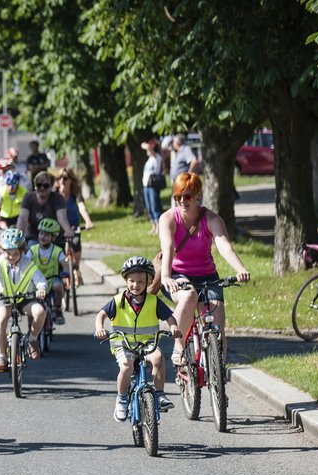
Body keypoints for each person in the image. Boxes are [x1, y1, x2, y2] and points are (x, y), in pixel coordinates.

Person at [159, 173, 250, 363]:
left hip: (208, 275)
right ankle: (178, 345)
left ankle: (218, 374)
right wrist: (166, 276)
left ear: (198, 195)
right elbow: (168, 248)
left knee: (218, 327)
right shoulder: (168, 219)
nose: (183, 201)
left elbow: (224, 246)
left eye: (188, 196)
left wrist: (240, 268)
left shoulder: (211, 219)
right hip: (178, 274)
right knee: (189, 295)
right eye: (178, 197)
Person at [95, 256, 179, 421]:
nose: (136, 285)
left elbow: (170, 317)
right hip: (123, 345)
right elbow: (101, 315)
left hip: (148, 344)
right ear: (126, 280)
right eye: (132, 281)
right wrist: (100, 328)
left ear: (148, 281)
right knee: (126, 367)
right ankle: (122, 398)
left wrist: (174, 326)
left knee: (158, 357)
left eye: (141, 281)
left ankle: (160, 394)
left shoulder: (153, 301)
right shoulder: (118, 301)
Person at [0, 228, 47, 372]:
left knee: (40, 311)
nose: (11, 256)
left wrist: (41, 288)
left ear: (22, 251)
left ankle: (33, 339)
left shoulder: (28, 263)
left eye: (15, 253)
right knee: (2, 318)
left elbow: (40, 279)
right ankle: (0, 357)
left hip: (24, 299)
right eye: (7, 253)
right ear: (2, 250)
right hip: (5, 299)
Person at [55, 167, 95, 286]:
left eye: (65, 178)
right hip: (59, 229)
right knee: (58, 251)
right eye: (60, 178)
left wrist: (88, 221)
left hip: (73, 227)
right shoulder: (55, 194)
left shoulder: (75, 193)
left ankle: (76, 268)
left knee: (76, 243)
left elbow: (81, 206)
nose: (62, 180)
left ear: (71, 180)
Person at [27, 218, 69, 325]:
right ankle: (31, 325)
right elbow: (25, 263)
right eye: (41, 233)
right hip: (36, 281)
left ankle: (57, 309)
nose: (43, 237)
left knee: (58, 286)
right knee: (28, 294)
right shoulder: (33, 249)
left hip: (51, 279)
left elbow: (65, 264)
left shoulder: (57, 251)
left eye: (46, 235)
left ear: (53, 237)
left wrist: (65, 272)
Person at [18, 170, 69, 245]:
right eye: (39, 185)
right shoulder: (28, 198)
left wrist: (68, 231)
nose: (42, 188)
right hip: (33, 238)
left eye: (46, 186)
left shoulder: (58, 198)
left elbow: (62, 218)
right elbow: (23, 217)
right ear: (35, 186)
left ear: (51, 186)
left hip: (54, 239)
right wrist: (19, 235)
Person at [0, 171, 28, 245]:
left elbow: (26, 211)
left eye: (14, 185)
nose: (11, 187)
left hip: (17, 217)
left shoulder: (24, 193)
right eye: (8, 184)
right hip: (3, 217)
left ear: (18, 184)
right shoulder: (0, 192)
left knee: (19, 240)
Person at [141, 139, 165, 234]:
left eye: (149, 149)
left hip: (153, 185)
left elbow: (147, 147)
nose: (147, 151)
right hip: (146, 185)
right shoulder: (150, 159)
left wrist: (147, 145)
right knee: (149, 206)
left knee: (155, 205)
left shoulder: (157, 157)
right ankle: (153, 226)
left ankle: (158, 226)